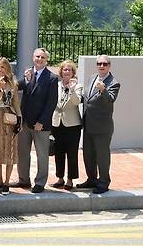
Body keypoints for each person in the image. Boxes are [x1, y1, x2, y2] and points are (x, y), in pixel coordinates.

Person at [12, 47, 58, 193]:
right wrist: (25, 78)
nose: (39, 59)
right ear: (33, 58)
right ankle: (23, 180)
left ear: (46, 60)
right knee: (22, 152)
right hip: (25, 122)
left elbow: (51, 103)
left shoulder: (52, 78)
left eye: (42, 57)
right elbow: (17, 86)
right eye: (37, 56)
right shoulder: (28, 74)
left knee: (42, 154)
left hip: (40, 124)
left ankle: (40, 182)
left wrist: (42, 121)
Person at [77, 54, 121, 194]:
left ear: (109, 66)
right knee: (88, 155)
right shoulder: (92, 78)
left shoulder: (113, 82)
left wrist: (103, 90)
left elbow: (110, 100)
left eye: (105, 64)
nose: (101, 66)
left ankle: (103, 182)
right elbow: (87, 99)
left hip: (102, 127)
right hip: (88, 124)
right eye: (99, 63)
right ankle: (91, 179)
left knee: (102, 156)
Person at [0, 57, 21, 195]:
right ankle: (0, 181)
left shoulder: (13, 83)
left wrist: (19, 119)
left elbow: (15, 102)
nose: (0, 70)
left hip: (10, 117)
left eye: (3, 67)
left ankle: (7, 182)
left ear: (7, 69)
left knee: (10, 151)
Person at [51, 59, 83, 190]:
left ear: (73, 73)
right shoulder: (56, 85)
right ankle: (60, 178)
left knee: (71, 153)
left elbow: (76, 102)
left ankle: (70, 180)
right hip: (57, 123)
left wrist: (71, 89)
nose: (67, 72)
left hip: (72, 125)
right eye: (64, 69)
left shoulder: (78, 86)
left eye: (69, 70)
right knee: (58, 152)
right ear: (61, 72)